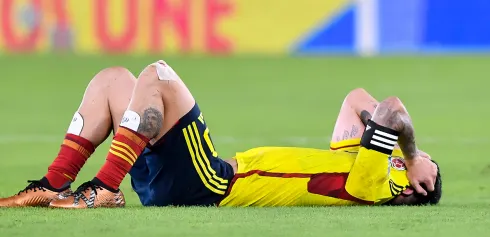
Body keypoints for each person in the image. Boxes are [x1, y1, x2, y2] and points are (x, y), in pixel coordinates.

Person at [0, 61, 441, 208]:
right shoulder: (361, 163)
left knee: (157, 74)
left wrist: (415, 152)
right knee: (113, 79)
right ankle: (53, 184)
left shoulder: (374, 183)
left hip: (214, 183)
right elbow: (356, 97)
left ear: (417, 184)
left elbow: (392, 108)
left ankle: (104, 187)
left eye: (424, 169)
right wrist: (396, 146)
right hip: (190, 182)